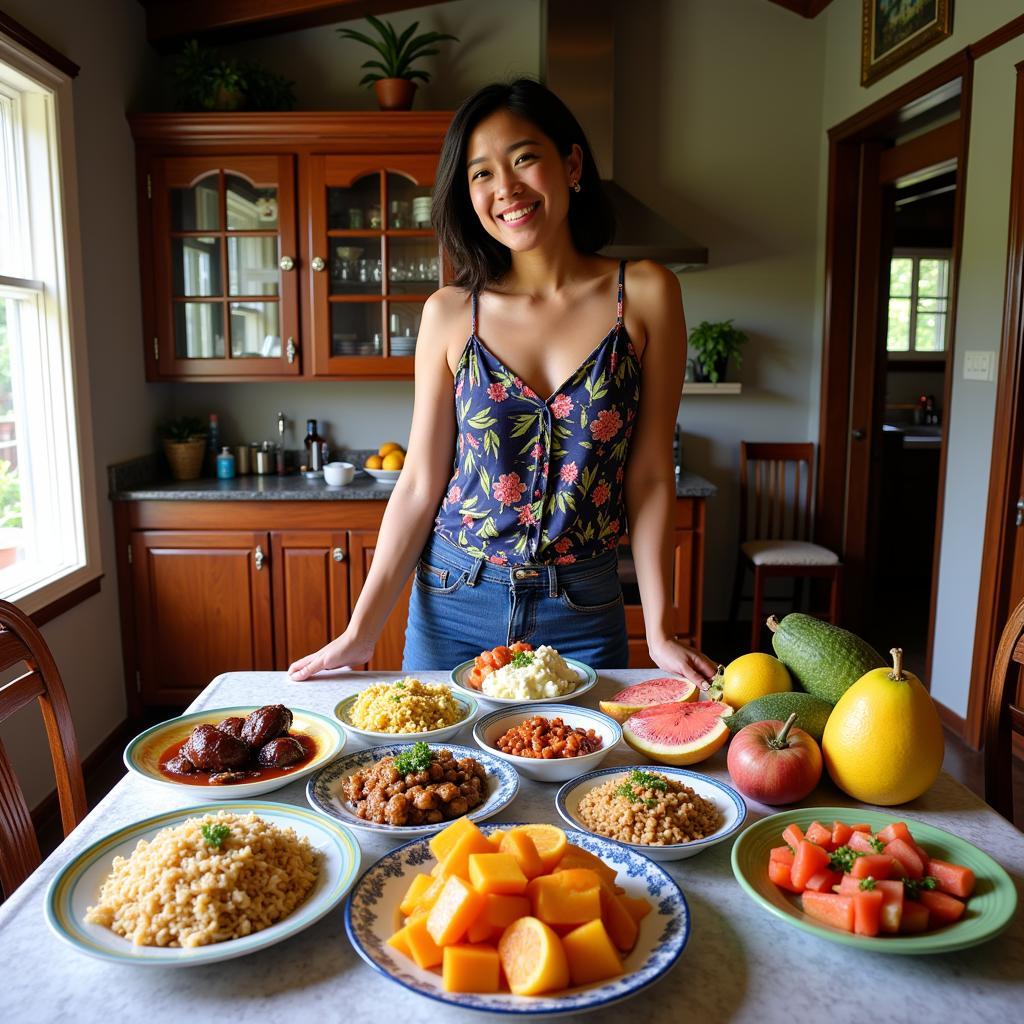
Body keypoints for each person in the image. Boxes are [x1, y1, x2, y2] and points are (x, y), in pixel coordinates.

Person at [288, 78, 716, 684]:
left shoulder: (646, 293)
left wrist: (660, 628)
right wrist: (361, 632)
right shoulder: (448, 313)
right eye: (481, 173)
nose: (506, 189)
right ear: (466, 195)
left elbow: (648, 475)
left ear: (571, 164)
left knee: (583, 775)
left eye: (523, 159)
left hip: (585, 606)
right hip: (456, 597)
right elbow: (419, 483)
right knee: (434, 777)